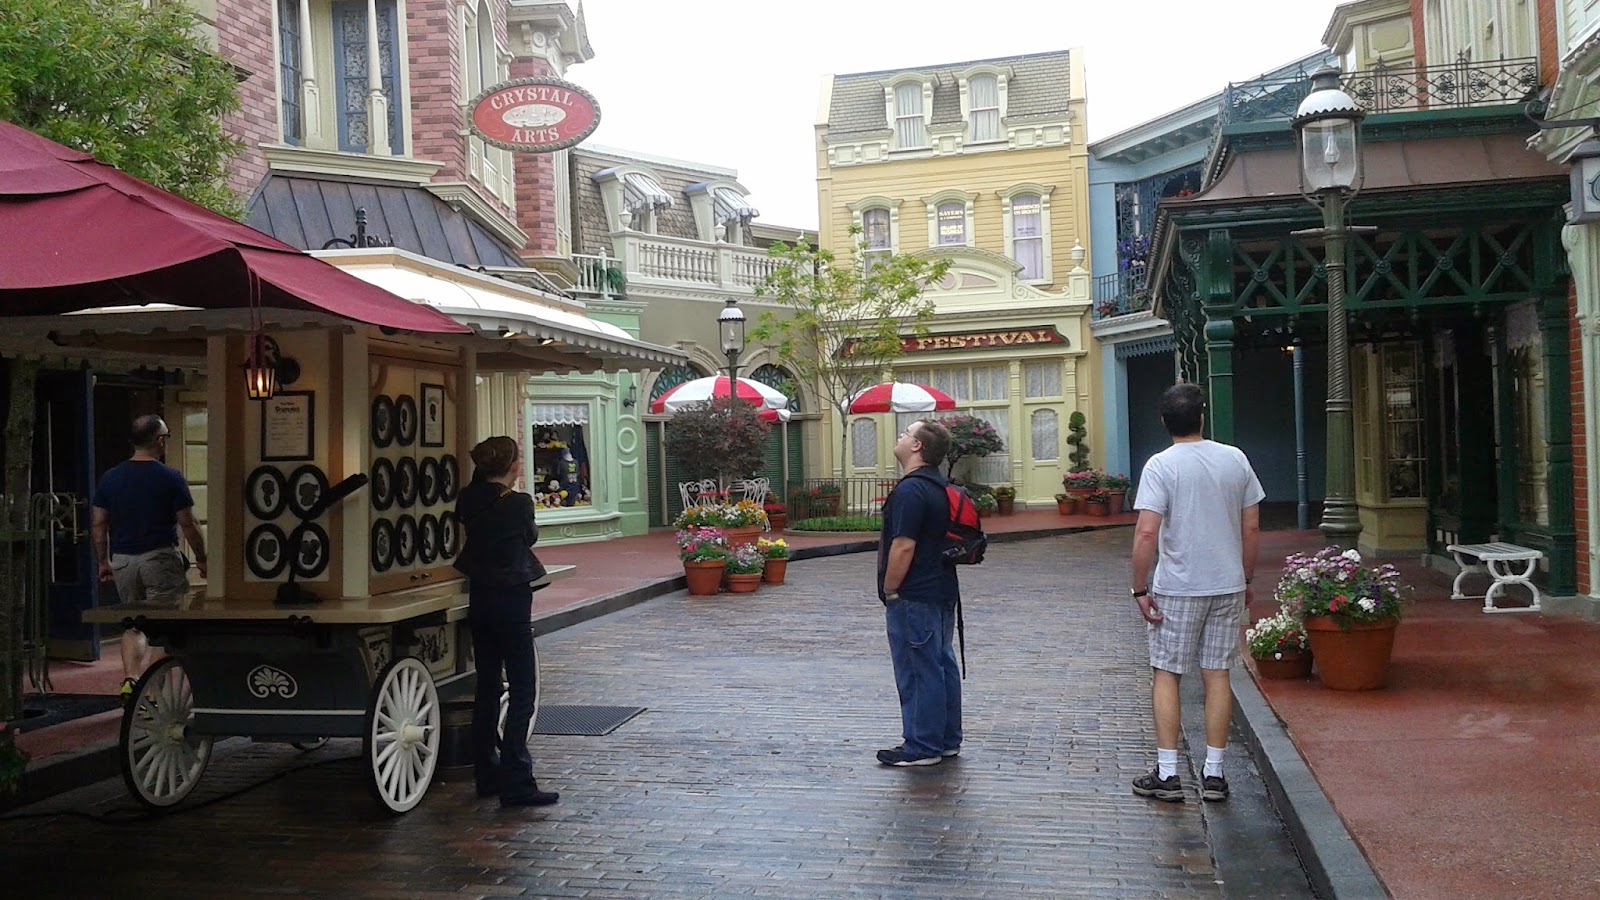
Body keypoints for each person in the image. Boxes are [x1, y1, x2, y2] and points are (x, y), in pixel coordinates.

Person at [1129, 383, 1263, 803]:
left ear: (1164, 421)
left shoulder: (1160, 465)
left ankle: (1169, 773)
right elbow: (1252, 526)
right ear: (1202, 417)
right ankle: (1215, 773)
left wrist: (1139, 587)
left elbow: (1146, 532)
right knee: (1217, 674)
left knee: (1167, 672)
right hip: (1226, 583)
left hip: (1179, 587)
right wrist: (1246, 578)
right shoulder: (1235, 459)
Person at [454, 435, 558, 808]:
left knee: (487, 687)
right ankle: (517, 780)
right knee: (522, 689)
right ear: (513, 466)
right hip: (512, 600)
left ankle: (487, 772)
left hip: (480, 598)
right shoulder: (518, 503)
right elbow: (529, 536)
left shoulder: (467, 498)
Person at [91, 414, 207, 707]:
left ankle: (130, 680)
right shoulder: (170, 477)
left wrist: (103, 561)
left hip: (123, 560)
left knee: (134, 624)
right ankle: (151, 691)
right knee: (165, 627)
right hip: (159, 559)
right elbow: (188, 523)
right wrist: (202, 558)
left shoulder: (111, 477)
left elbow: (99, 524)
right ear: (160, 440)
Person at [875, 419, 962, 767]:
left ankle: (922, 744)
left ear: (917, 447)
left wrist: (890, 588)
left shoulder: (911, 490)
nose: (900, 436)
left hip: (915, 594)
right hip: (941, 589)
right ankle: (946, 739)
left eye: (906, 433)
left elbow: (903, 546)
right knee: (941, 663)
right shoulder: (939, 486)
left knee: (917, 668)